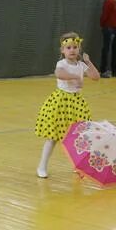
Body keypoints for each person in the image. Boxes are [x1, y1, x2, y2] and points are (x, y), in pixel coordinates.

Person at [35, 33, 100, 178]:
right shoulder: (62, 64)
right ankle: (42, 166)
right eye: (68, 47)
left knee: (80, 138)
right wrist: (76, 77)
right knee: (53, 137)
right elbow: (59, 74)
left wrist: (88, 62)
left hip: (77, 104)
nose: (72, 50)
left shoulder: (81, 65)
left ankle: (79, 166)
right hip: (62, 102)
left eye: (75, 47)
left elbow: (96, 77)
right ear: (62, 50)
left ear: (79, 49)